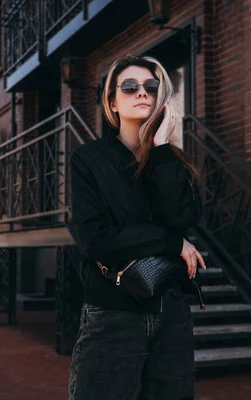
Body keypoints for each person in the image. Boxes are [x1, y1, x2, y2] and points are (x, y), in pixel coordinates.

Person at [67, 54, 206, 400]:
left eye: (151, 86)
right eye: (129, 87)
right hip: (113, 312)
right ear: (112, 102)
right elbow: (94, 239)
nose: (141, 93)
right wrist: (171, 242)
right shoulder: (89, 159)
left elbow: (183, 218)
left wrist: (160, 149)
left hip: (172, 311)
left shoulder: (173, 161)